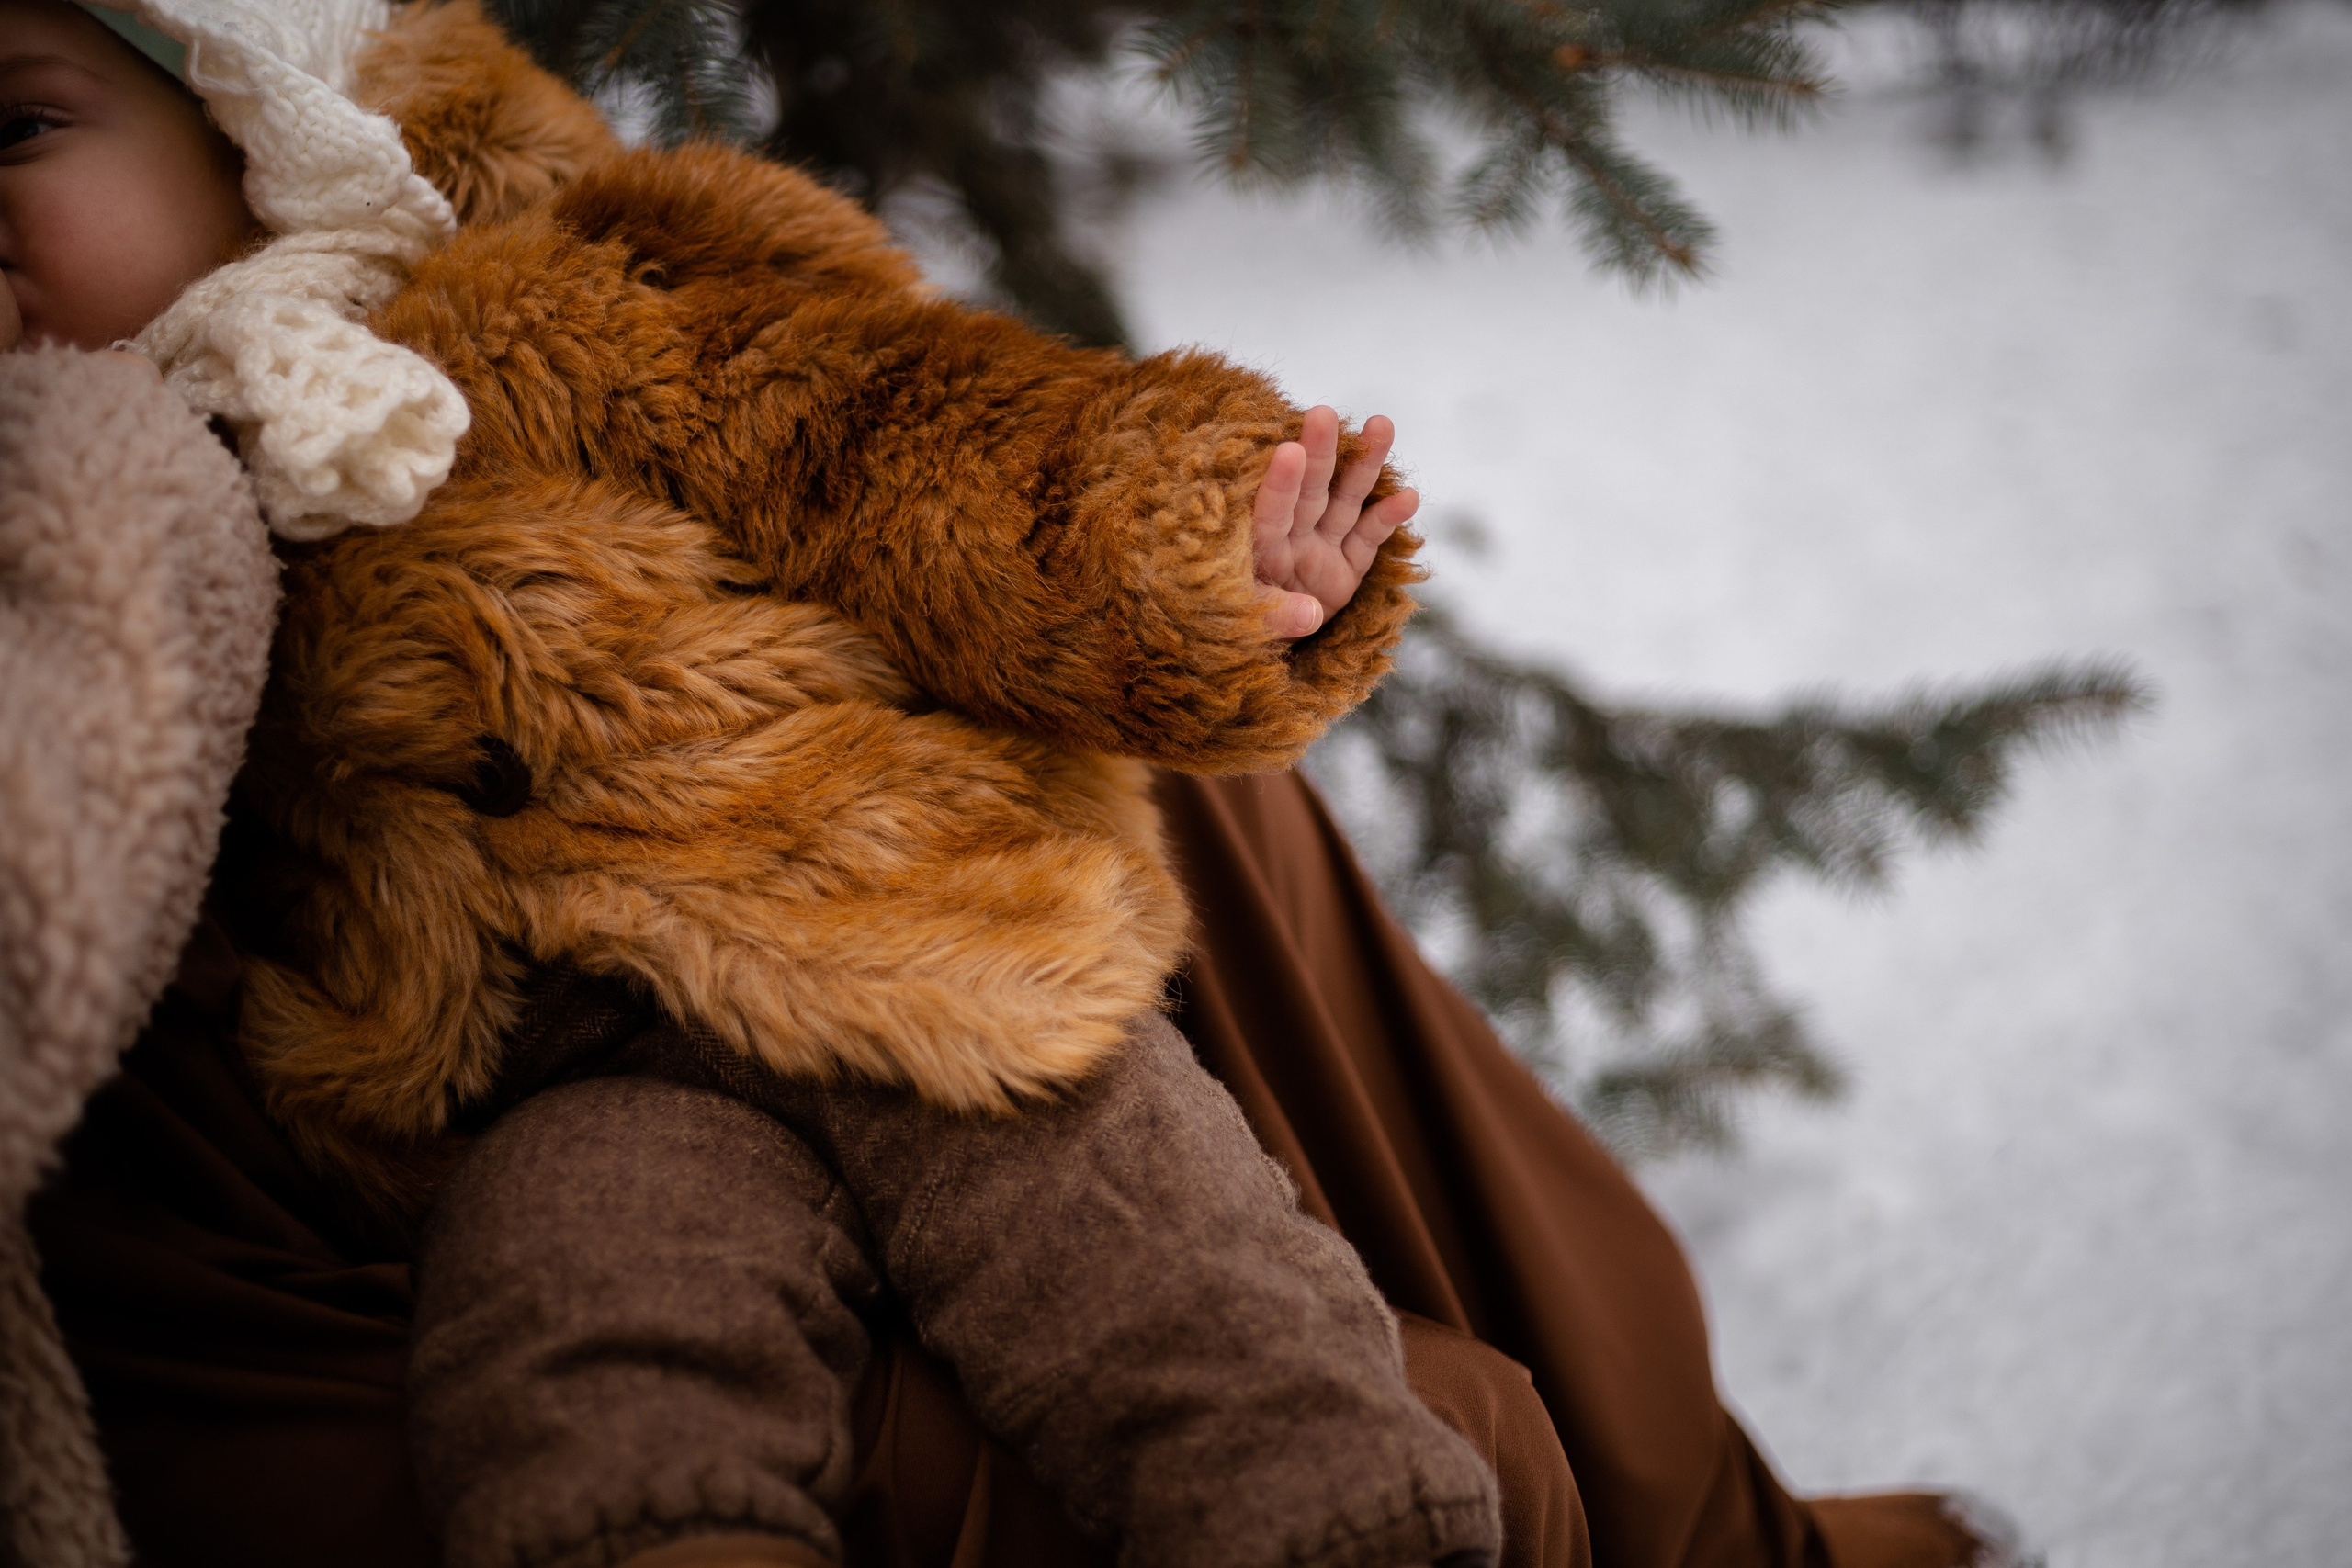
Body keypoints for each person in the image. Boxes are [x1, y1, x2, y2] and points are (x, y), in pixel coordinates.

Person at [0, 5, 2017, 1568]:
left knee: (1172, 1290)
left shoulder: (559, 304)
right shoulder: (101, 555)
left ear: (257, 108)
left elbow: (903, 441)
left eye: (18, 127)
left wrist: (1183, 549)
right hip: (553, 1091)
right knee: (591, 1353)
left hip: (879, 954)